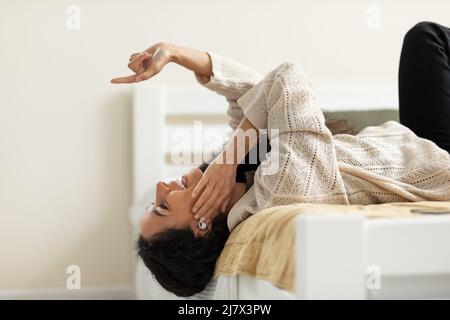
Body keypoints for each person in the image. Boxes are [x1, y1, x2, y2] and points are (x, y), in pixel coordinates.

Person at [111, 21, 450, 297]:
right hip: (440, 161)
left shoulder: (244, 180)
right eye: (163, 206)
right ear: (201, 227)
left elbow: (251, 93)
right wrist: (228, 160)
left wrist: (173, 53)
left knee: (425, 39)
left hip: (420, 144)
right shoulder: (278, 192)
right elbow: (286, 78)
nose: (160, 186)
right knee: (426, 40)